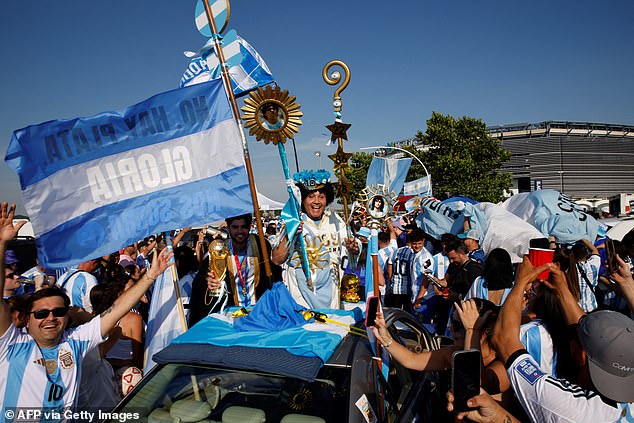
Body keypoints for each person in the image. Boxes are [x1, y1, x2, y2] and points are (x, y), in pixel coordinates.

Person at [0, 202, 173, 412]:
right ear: (28, 319)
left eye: (59, 311)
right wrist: (1, 244)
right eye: (42, 313)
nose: (51, 317)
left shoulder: (75, 341)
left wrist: (150, 277)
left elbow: (116, 310)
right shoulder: (10, 345)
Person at [491, 257, 634, 422]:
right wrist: (561, 289)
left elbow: (503, 340)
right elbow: (584, 330)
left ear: (580, 354)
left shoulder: (567, 407)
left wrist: (521, 282)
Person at [273, 170, 357, 309]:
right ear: (302, 200)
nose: (317, 201)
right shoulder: (291, 222)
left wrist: (354, 247)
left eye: (322, 197)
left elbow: (353, 250)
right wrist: (290, 234)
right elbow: (276, 259)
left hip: (331, 293)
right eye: (311, 196)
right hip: (300, 295)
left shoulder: (335, 220)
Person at [189, 213, 281, 326]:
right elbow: (199, 283)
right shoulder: (218, 252)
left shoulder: (260, 245)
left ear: (250, 227)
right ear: (228, 227)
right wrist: (208, 282)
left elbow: (274, 271)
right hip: (231, 315)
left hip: (259, 313)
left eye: (243, 227)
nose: (240, 231)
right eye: (235, 227)